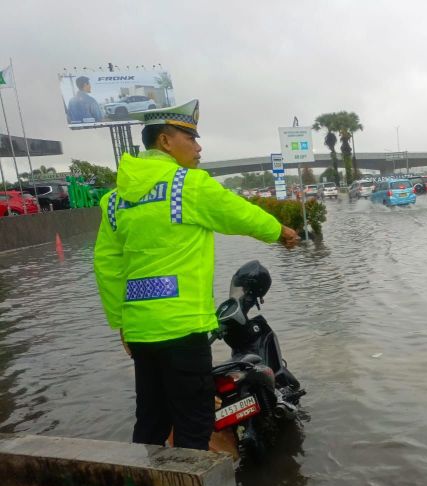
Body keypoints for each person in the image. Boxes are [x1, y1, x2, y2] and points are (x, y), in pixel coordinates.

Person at [94, 99, 299, 452]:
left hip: (141, 331)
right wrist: (280, 232)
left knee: (152, 419)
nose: (198, 146)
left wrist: (122, 325)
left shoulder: (115, 200)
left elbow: (108, 267)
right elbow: (238, 213)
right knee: (194, 421)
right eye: (190, 136)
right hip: (183, 327)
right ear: (165, 141)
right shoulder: (187, 185)